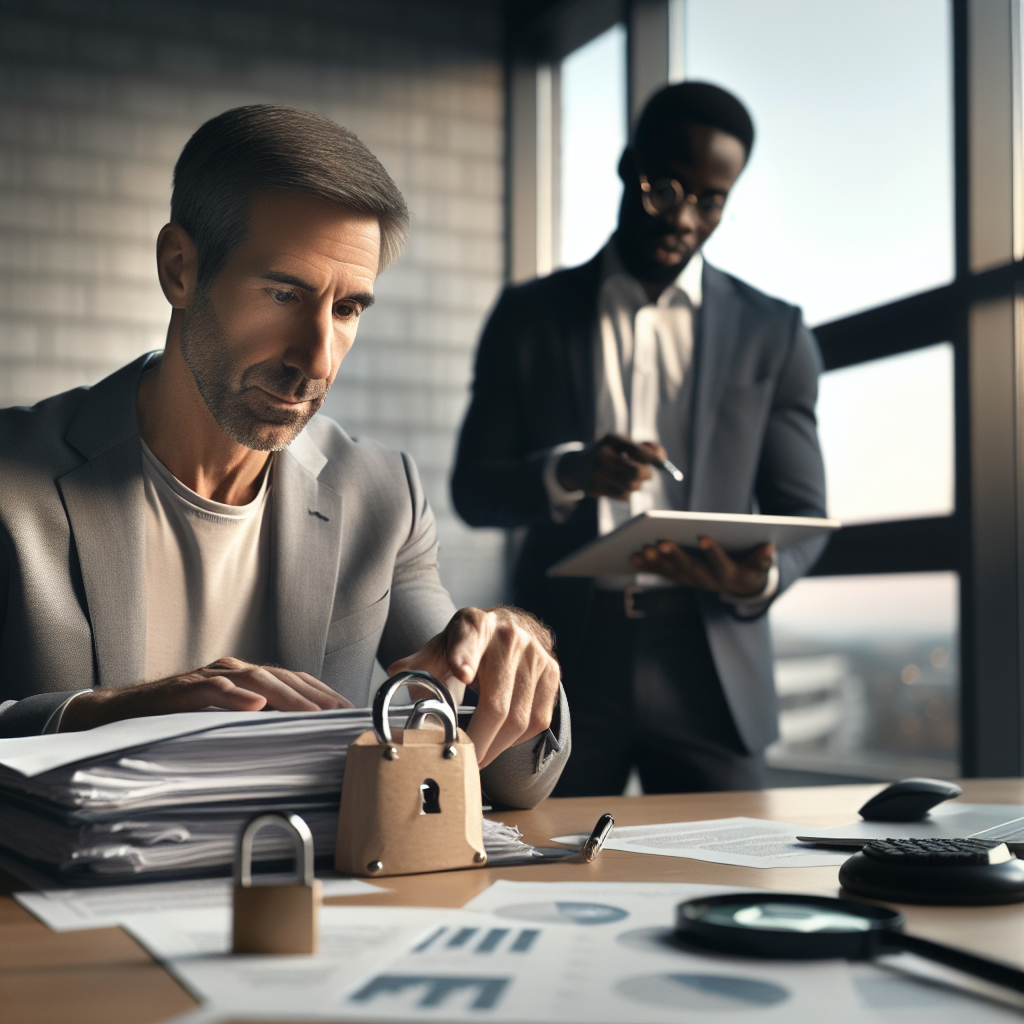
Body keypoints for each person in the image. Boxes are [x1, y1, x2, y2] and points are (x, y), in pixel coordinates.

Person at [0, 105, 568, 810]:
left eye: (347, 309)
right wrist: (103, 717)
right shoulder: (12, 479)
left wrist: (518, 648)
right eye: (284, 294)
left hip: (301, 902)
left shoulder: (381, 496)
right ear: (180, 269)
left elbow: (510, 778)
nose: (316, 358)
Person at [451, 82, 827, 796]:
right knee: (540, 874)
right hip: (564, 658)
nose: (684, 218)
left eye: (711, 201)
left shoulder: (775, 333)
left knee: (737, 883)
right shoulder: (528, 318)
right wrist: (569, 472)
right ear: (629, 168)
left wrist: (760, 577)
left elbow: (805, 515)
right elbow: (474, 491)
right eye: (666, 188)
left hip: (711, 663)